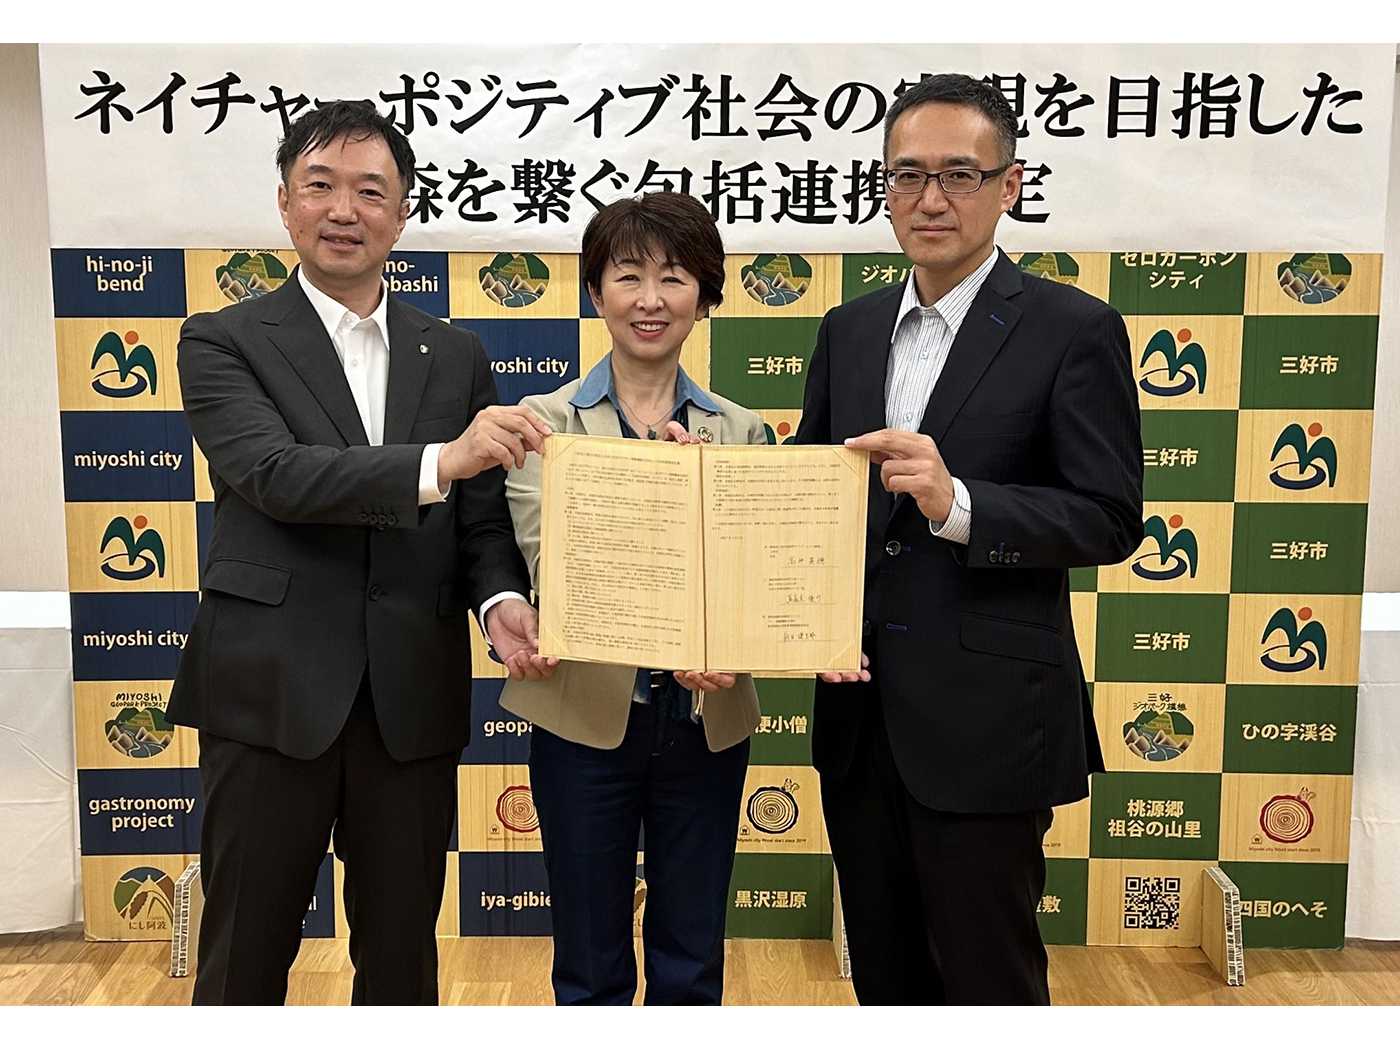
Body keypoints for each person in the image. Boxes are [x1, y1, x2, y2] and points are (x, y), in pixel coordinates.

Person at [168, 100, 553, 1005]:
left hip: (408, 700)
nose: (344, 210)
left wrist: (501, 603)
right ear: (285, 203)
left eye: (371, 191)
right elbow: (274, 475)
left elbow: (481, 523)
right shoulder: (222, 338)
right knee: (242, 958)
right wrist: (439, 461)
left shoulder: (453, 353)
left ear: (403, 211)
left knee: (402, 963)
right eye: (320, 186)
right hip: (270, 695)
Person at [796, 74, 1144, 1005]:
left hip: (990, 723)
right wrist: (707, 488)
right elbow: (815, 498)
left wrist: (960, 506)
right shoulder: (849, 330)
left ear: (1009, 184)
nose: (931, 199)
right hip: (860, 715)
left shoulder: (1074, 328)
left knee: (991, 984)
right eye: (907, 175)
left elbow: (1110, 516)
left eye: (960, 174)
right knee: (886, 980)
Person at [500, 192, 766, 1005]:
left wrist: (731, 640)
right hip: (581, 715)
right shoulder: (541, 425)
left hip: (705, 719)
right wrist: (665, 498)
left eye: (675, 278)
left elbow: (756, 580)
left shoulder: (743, 432)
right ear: (596, 293)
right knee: (589, 959)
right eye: (628, 276)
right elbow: (548, 556)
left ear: (706, 297)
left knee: (693, 954)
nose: (651, 300)